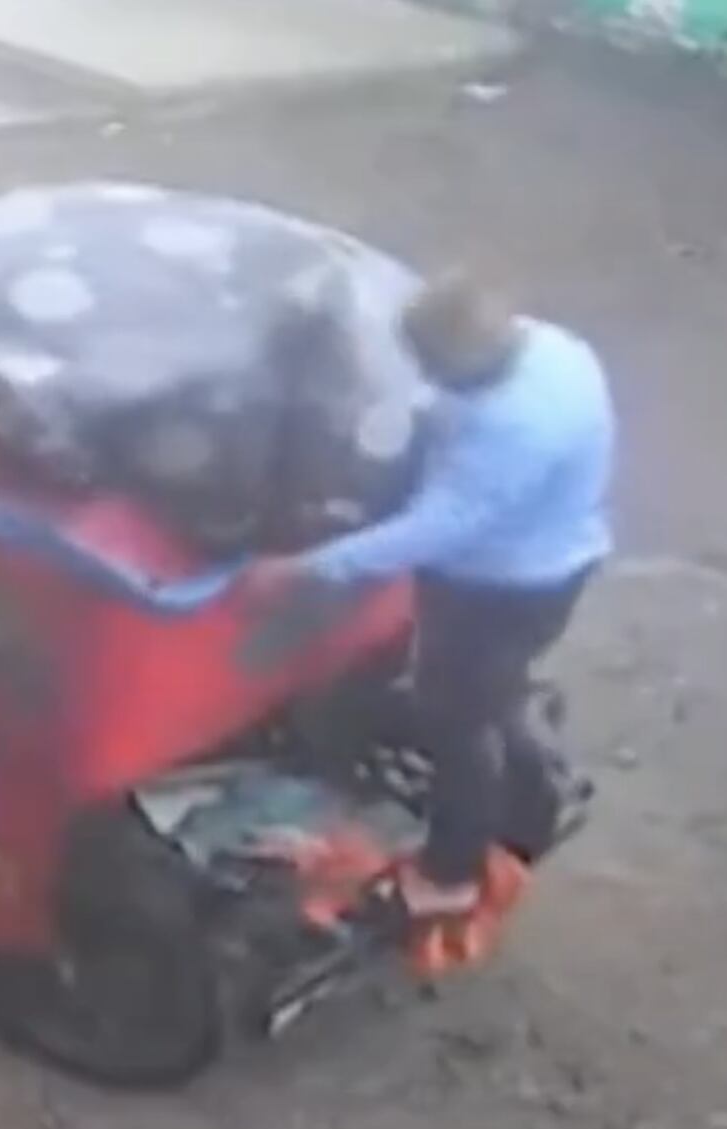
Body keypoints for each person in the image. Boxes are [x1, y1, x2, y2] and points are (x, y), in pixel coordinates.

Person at [256, 274, 614, 917]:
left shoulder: (509, 430)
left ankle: (449, 874)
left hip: (500, 585)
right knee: (492, 692)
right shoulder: (556, 351)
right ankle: (530, 799)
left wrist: (312, 567)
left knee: (461, 722)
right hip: (561, 554)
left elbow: (440, 529)